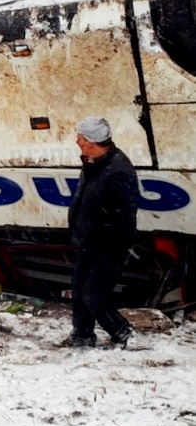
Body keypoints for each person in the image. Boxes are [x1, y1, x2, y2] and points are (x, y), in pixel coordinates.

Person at [65, 116, 138, 348]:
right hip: (90, 240)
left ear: (91, 142)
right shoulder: (93, 162)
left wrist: (108, 243)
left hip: (108, 245)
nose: (77, 141)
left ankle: (120, 330)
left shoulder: (118, 170)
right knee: (78, 289)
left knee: (93, 294)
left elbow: (123, 216)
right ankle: (83, 334)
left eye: (80, 138)